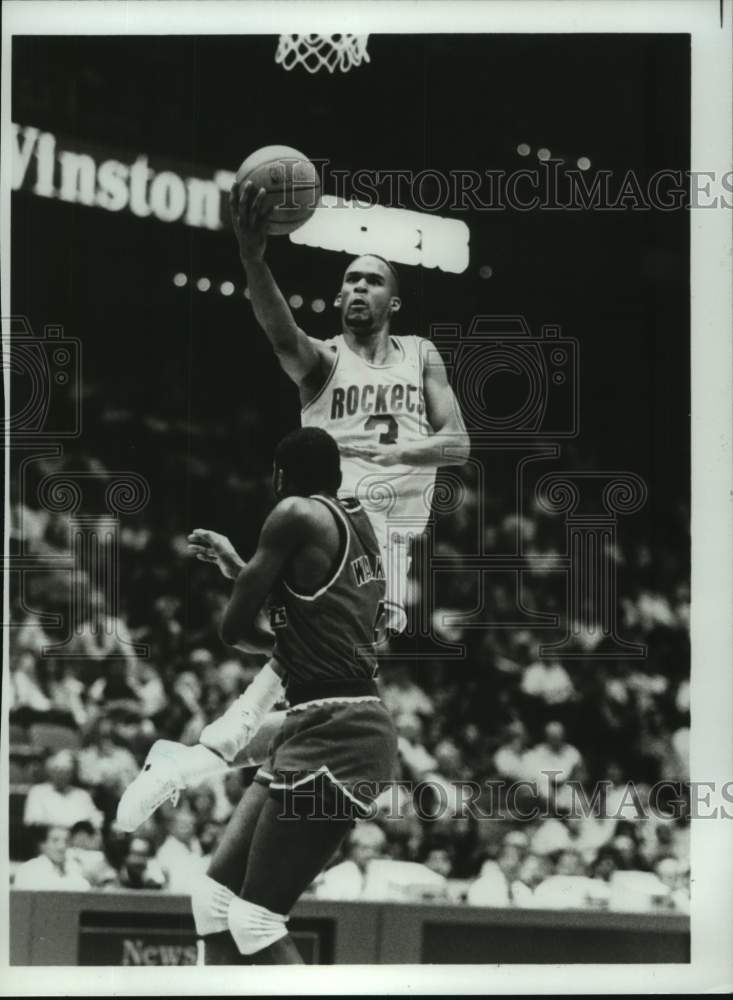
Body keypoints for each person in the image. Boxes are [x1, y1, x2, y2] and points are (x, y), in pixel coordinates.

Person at [118, 427, 397, 964]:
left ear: (279, 476)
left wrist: (244, 576)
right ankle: (183, 765)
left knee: (255, 919)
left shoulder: (293, 514)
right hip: (326, 718)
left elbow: (233, 630)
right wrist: (248, 570)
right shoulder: (357, 523)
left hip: (340, 730)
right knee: (215, 901)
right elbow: (306, 636)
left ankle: (182, 765)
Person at [230, 178, 470, 633]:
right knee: (343, 644)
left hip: (395, 531)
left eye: (373, 280)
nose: (360, 286)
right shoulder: (323, 359)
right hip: (335, 518)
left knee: (331, 653)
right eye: (351, 280)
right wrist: (253, 259)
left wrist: (398, 453)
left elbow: (457, 445)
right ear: (339, 298)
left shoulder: (421, 355)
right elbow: (282, 335)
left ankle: (254, 702)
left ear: (393, 302)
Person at [13, 824, 91, 891]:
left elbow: (85, 889)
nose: (62, 846)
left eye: (66, 841)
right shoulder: (29, 869)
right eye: (55, 841)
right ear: (42, 845)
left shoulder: (74, 867)